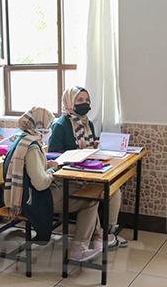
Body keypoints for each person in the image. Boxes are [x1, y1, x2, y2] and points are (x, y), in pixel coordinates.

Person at [4, 107, 102, 262]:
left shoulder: (21, 139)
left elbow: (31, 172)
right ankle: (79, 249)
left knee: (80, 189)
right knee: (90, 199)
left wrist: (46, 166)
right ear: (40, 124)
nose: (49, 128)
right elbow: (41, 184)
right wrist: (54, 169)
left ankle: (96, 236)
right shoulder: (32, 147)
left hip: (23, 195)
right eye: (48, 124)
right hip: (34, 201)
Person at [48, 86, 125, 248]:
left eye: (87, 100)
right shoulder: (61, 125)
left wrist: (94, 146)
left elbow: (89, 145)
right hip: (67, 177)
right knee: (92, 197)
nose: (85, 103)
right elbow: (53, 155)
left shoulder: (87, 122)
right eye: (80, 100)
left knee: (114, 190)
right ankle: (98, 236)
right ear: (69, 102)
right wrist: (77, 155)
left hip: (88, 170)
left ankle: (108, 231)